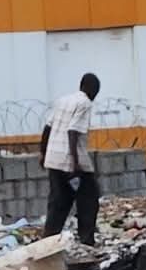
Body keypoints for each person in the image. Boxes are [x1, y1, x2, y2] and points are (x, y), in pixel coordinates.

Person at [40, 73, 101, 246]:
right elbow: (72, 131)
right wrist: (75, 164)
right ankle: (87, 242)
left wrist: (43, 153)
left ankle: (48, 242)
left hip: (54, 159)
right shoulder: (85, 103)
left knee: (59, 202)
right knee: (89, 200)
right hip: (72, 161)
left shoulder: (63, 100)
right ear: (92, 89)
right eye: (96, 91)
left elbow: (47, 127)